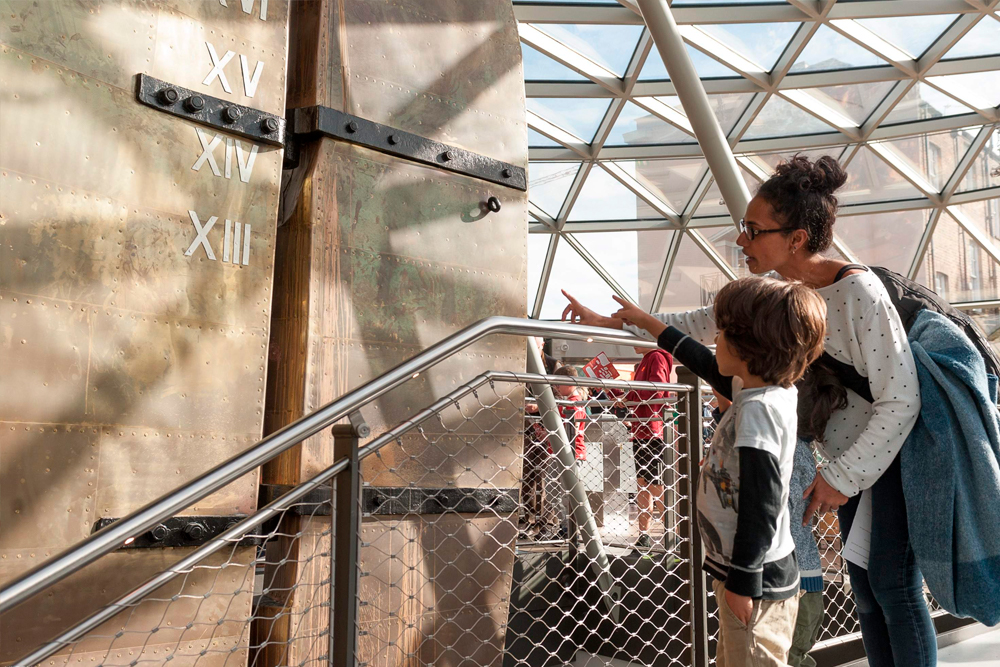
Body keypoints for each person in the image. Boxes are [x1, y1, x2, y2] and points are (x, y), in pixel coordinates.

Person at [561, 155, 926, 667]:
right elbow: (698, 331)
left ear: (796, 238)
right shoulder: (780, 299)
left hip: (884, 460)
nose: (741, 239)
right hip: (848, 463)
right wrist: (622, 322)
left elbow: (901, 396)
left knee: (892, 587)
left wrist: (842, 476)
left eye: (753, 230)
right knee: (868, 590)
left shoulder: (855, 291)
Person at [613, 276, 828, 666]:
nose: (716, 340)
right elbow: (703, 361)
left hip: (756, 582)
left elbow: (761, 503)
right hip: (748, 574)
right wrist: (649, 323)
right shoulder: (766, 390)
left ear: (749, 349)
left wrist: (743, 582)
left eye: (724, 332)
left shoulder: (760, 410)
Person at [623, 346, 674, 551]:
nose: (632, 343)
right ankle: (645, 534)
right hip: (643, 429)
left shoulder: (656, 357)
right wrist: (627, 396)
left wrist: (631, 394)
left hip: (652, 431)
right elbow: (648, 391)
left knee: (654, 484)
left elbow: (657, 389)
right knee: (643, 484)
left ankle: (673, 532)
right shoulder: (648, 358)